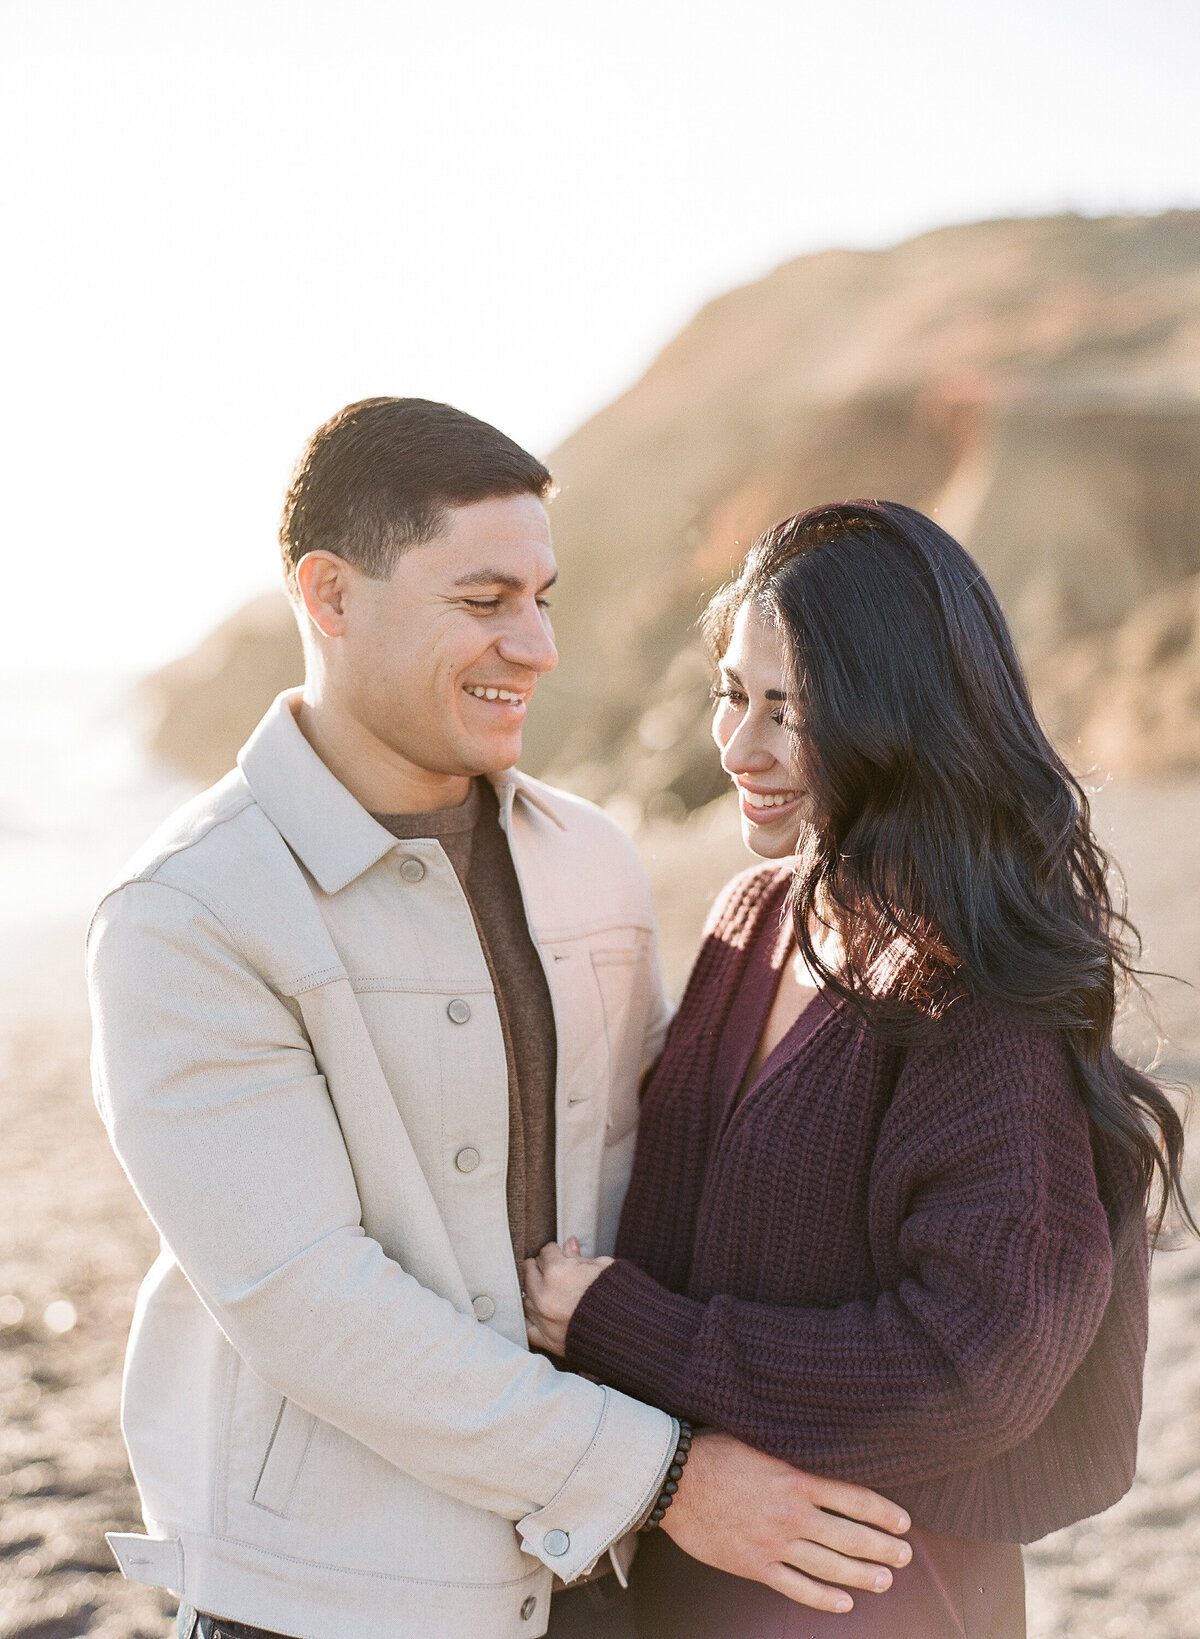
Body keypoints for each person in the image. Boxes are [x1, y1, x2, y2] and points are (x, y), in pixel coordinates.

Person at [86, 404, 913, 1639]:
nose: (535, 646)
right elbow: (311, 1304)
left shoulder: (593, 859)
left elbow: (673, 1178)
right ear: (329, 594)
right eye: (484, 600)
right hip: (338, 1598)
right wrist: (673, 1475)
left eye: (544, 596)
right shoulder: (190, 912)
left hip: (602, 1577)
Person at [523, 500, 1192, 1638]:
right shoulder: (755, 913)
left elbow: (974, 1362)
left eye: (792, 710)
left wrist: (619, 1326)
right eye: (733, 694)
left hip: (872, 1592)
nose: (739, 748)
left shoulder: (978, 991)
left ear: (899, 719)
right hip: (698, 1559)